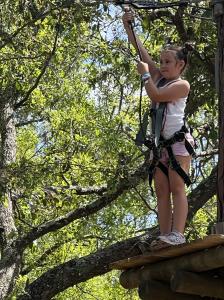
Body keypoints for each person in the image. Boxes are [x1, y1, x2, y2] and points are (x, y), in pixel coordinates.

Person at [122, 10, 194, 247]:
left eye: (167, 62)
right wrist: (128, 25)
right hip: (159, 145)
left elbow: (156, 95)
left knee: (176, 187)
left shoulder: (181, 85)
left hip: (177, 143)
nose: (161, 66)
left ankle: (178, 233)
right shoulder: (161, 76)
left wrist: (145, 76)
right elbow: (139, 49)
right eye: (160, 62)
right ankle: (165, 234)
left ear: (180, 64)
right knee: (162, 190)